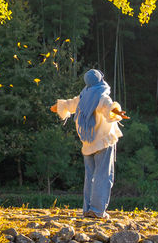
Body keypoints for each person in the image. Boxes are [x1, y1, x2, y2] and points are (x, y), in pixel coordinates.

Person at [50, 69, 127, 219]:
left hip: (88, 143)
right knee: (103, 176)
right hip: (103, 142)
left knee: (90, 176)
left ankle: (87, 209)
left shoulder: (82, 97)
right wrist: (118, 113)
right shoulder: (101, 96)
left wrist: (57, 107)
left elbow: (68, 104)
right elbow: (108, 107)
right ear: (100, 80)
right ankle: (97, 211)